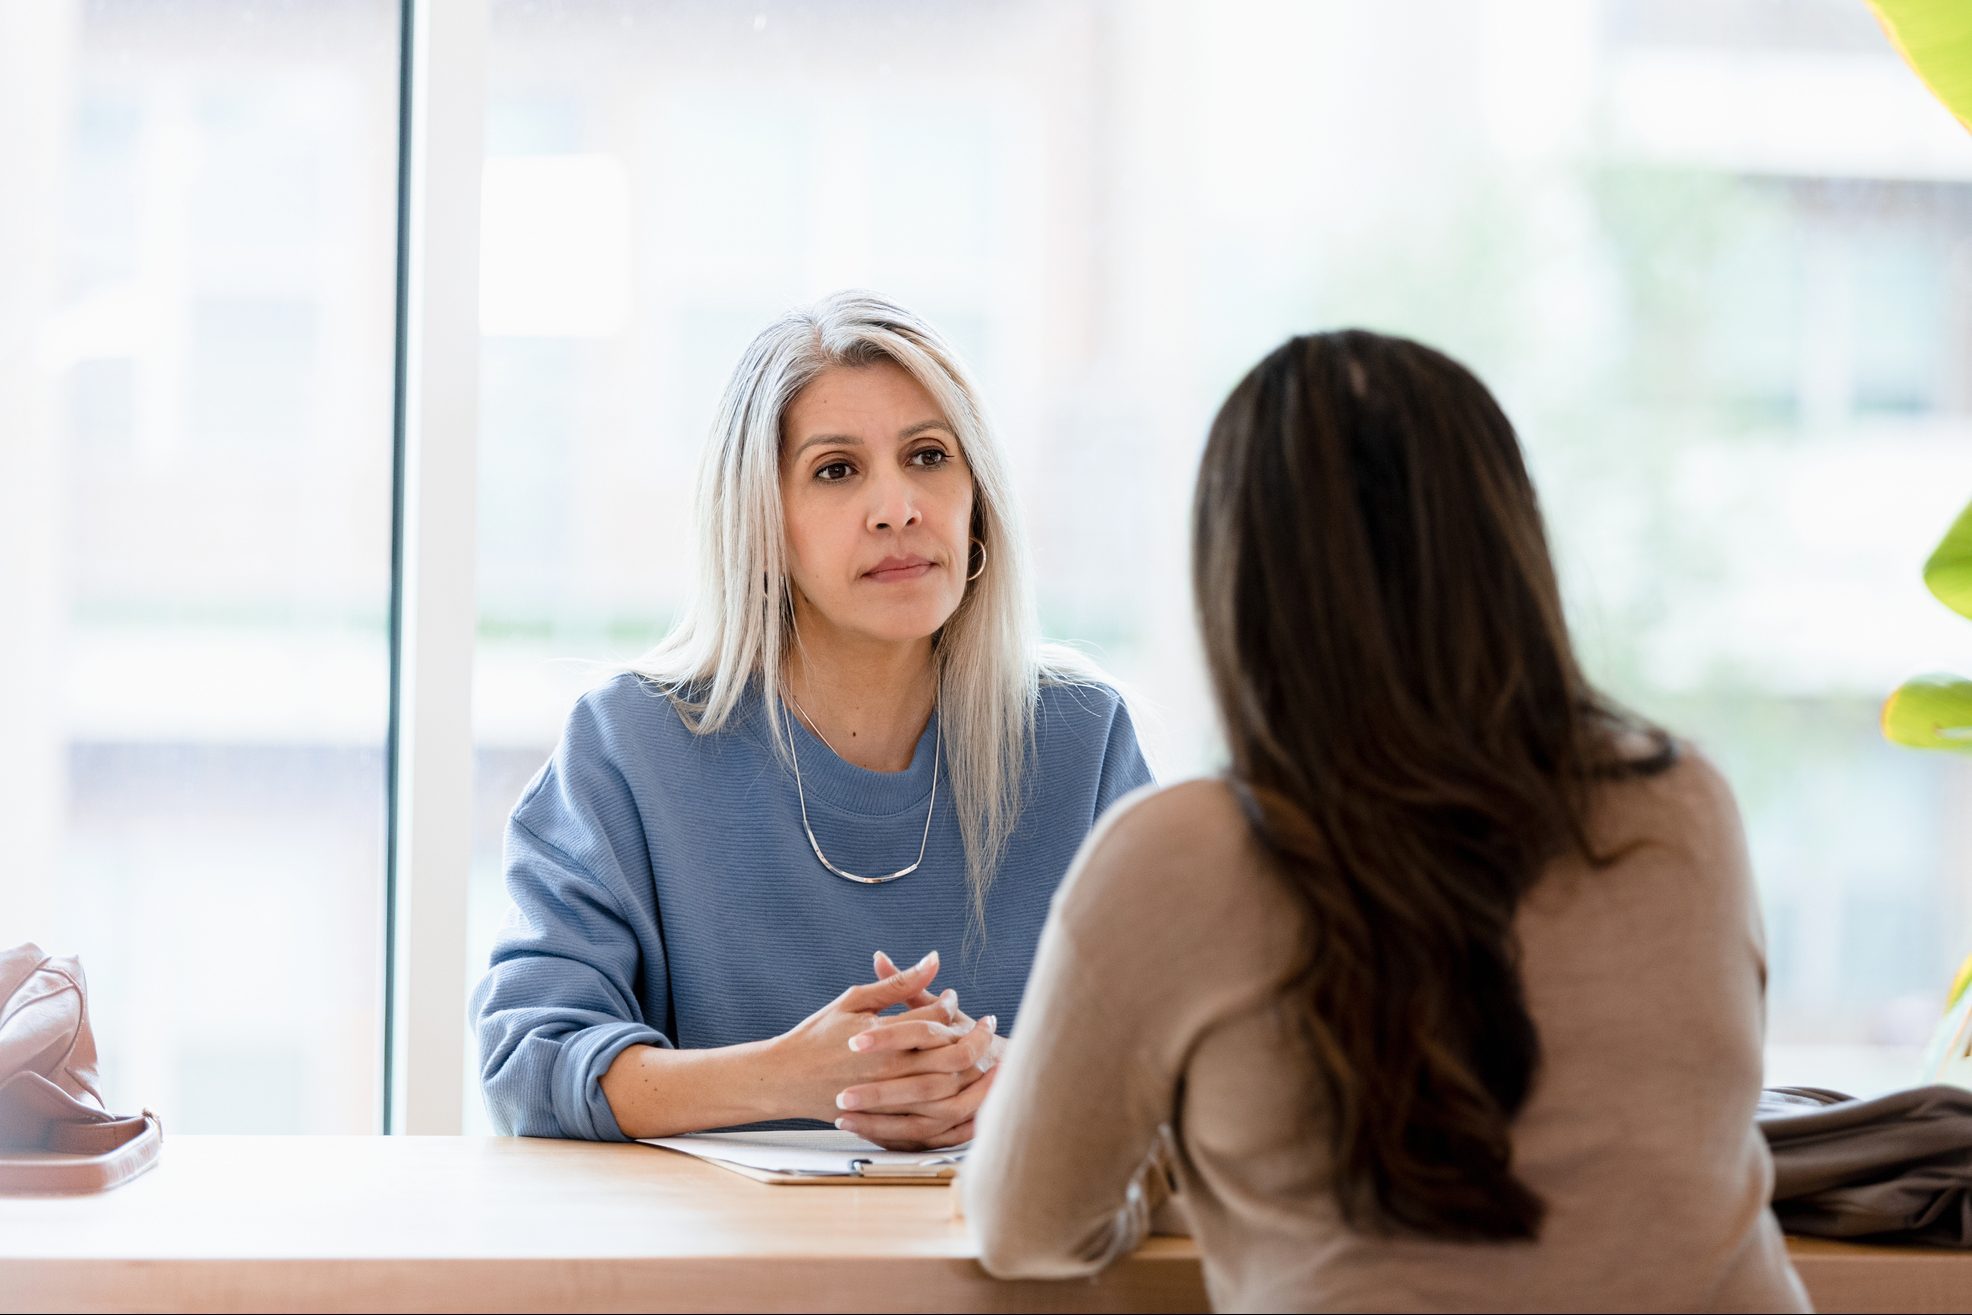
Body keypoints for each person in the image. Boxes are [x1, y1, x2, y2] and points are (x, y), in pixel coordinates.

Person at [962, 330, 1809, 1311]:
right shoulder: (1682, 803)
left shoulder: (1184, 856)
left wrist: (1166, 1162)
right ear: (1508, 545)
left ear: (1240, 578)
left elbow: (1025, 1228)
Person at [469, 292, 1150, 1151]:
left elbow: (1199, 1055)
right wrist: (790, 1075)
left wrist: (1018, 1081)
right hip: (722, 1276)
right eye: (836, 470)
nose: (897, 506)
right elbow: (529, 1058)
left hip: (1013, 1271)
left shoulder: (1083, 740)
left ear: (977, 498)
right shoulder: (630, 746)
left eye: (929, 456)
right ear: (761, 522)